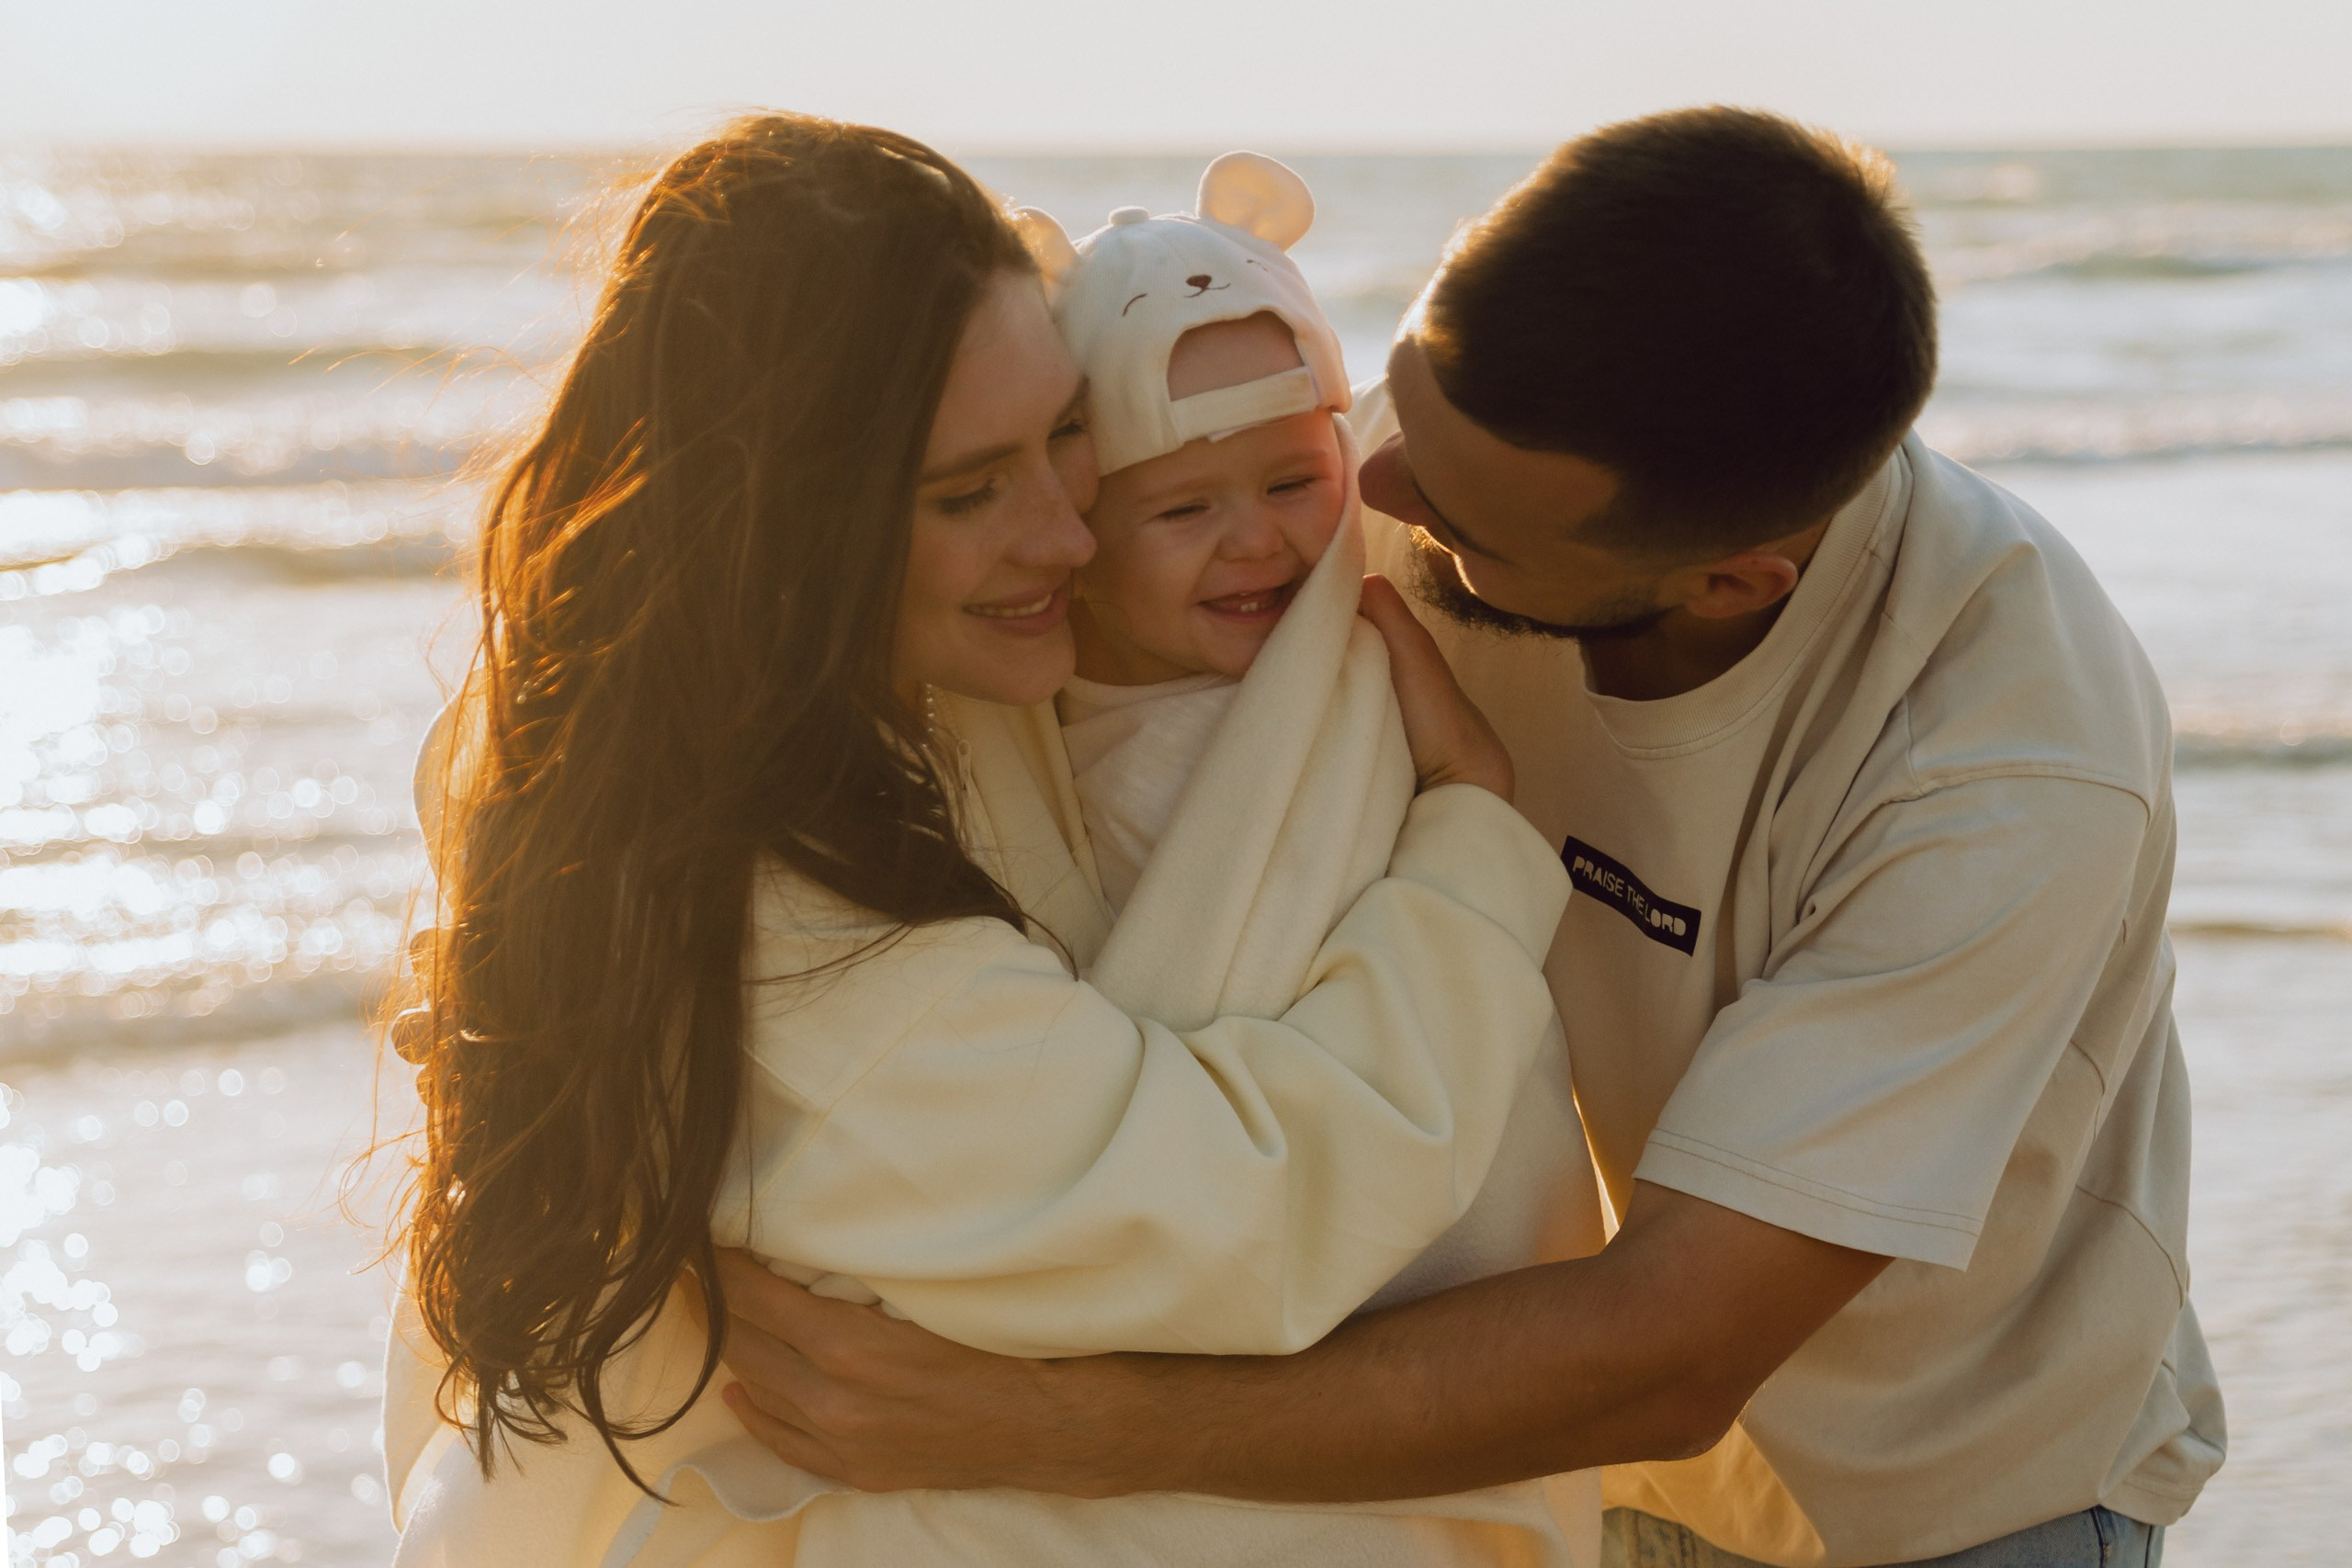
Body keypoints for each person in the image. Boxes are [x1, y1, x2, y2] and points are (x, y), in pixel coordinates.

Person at [711, 107, 2223, 1568]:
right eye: (1393, 402)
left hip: (1931, 1504)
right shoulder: (1462, 457)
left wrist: (1040, 1424)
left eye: (1453, 515)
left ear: (1726, 585)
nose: (1369, 490)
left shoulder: (1999, 772)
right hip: (1549, 1457)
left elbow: (1670, 1352)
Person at [381, 116, 1596, 1567]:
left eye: (1065, 438)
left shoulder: (684, 729)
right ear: (789, 518)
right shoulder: (796, 941)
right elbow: (1239, 1207)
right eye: (972, 491)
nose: (1072, 537)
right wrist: (1473, 846)